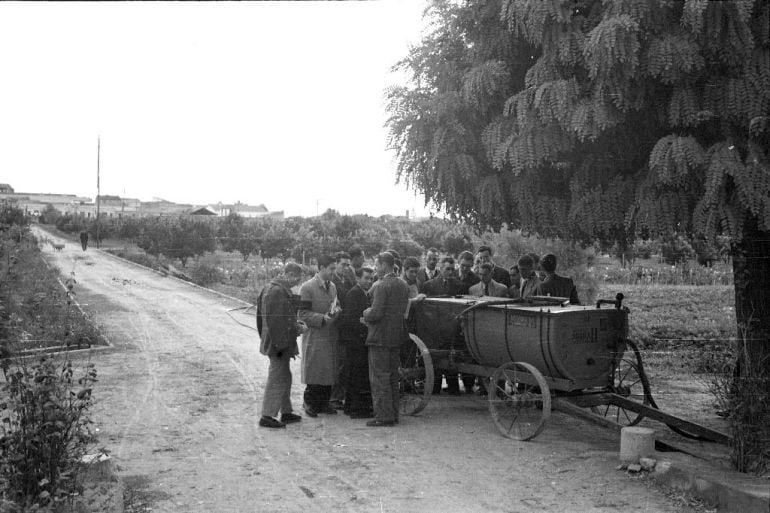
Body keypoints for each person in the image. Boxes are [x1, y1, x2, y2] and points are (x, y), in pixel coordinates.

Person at [363, 252, 409, 427]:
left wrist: (364, 312)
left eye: (377, 265)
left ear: (384, 265)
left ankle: (383, 416)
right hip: (395, 336)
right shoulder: (403, 284)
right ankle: (393, 414)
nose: (375, 268)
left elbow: (375, 313)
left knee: (379, 377)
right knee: (392, 377)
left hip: (379, 337)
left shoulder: (382, 286)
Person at [257, 263, 306, 429]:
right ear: (289, 275)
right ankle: (267, 415)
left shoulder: (270, 289)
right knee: (277, 376)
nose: (297, 283)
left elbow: (263, 319)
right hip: (279, 344)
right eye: (297, 279)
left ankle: (286, 411)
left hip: (276, 341)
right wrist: (295, 330)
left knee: (284, 375)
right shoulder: (278, 291)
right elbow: (277, 322)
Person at [298, 255, 342, 417]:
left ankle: (324, 403)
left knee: (328, 369)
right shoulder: (307, 288)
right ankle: (309, 403)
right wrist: (322, 318)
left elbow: (335, 304)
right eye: (331, 268)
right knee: (315, 369)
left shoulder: (333, 287)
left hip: (329, 335)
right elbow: (302, 313)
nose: (333, 272)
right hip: (315, 335)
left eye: (334, 268)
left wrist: (337, 310)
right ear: (321, 267)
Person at [421, 256, 464, 395]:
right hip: (435, 327)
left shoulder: (459, 285)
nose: (450, 272)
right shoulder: (429, 285)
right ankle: (435, 387)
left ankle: (453, 387)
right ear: (440, 268)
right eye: (447, 269)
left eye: (452, 269)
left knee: (451, 357)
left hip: (452, 327)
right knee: (436, 357)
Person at [340, 266, 375, 418]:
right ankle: (356, 409)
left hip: (359, 339)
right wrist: (363, 324)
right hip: (355, 340)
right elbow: (349, 319)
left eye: (371, 279)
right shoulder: (354, 294)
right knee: (357, 375)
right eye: (366, 278)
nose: (369, 281)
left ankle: (351, 407)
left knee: (357, 374)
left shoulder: (364, 294)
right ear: (358, 278)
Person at [329, 251, 355, 410]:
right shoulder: (333, 282)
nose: (346, 267)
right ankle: (334, 397)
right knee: (338, 362)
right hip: (338, 326)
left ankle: (339, 395)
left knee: (345, 362)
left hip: (347, 325)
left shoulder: (347, 279)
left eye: (348, 265)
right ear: (336, 264)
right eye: (343, 265)